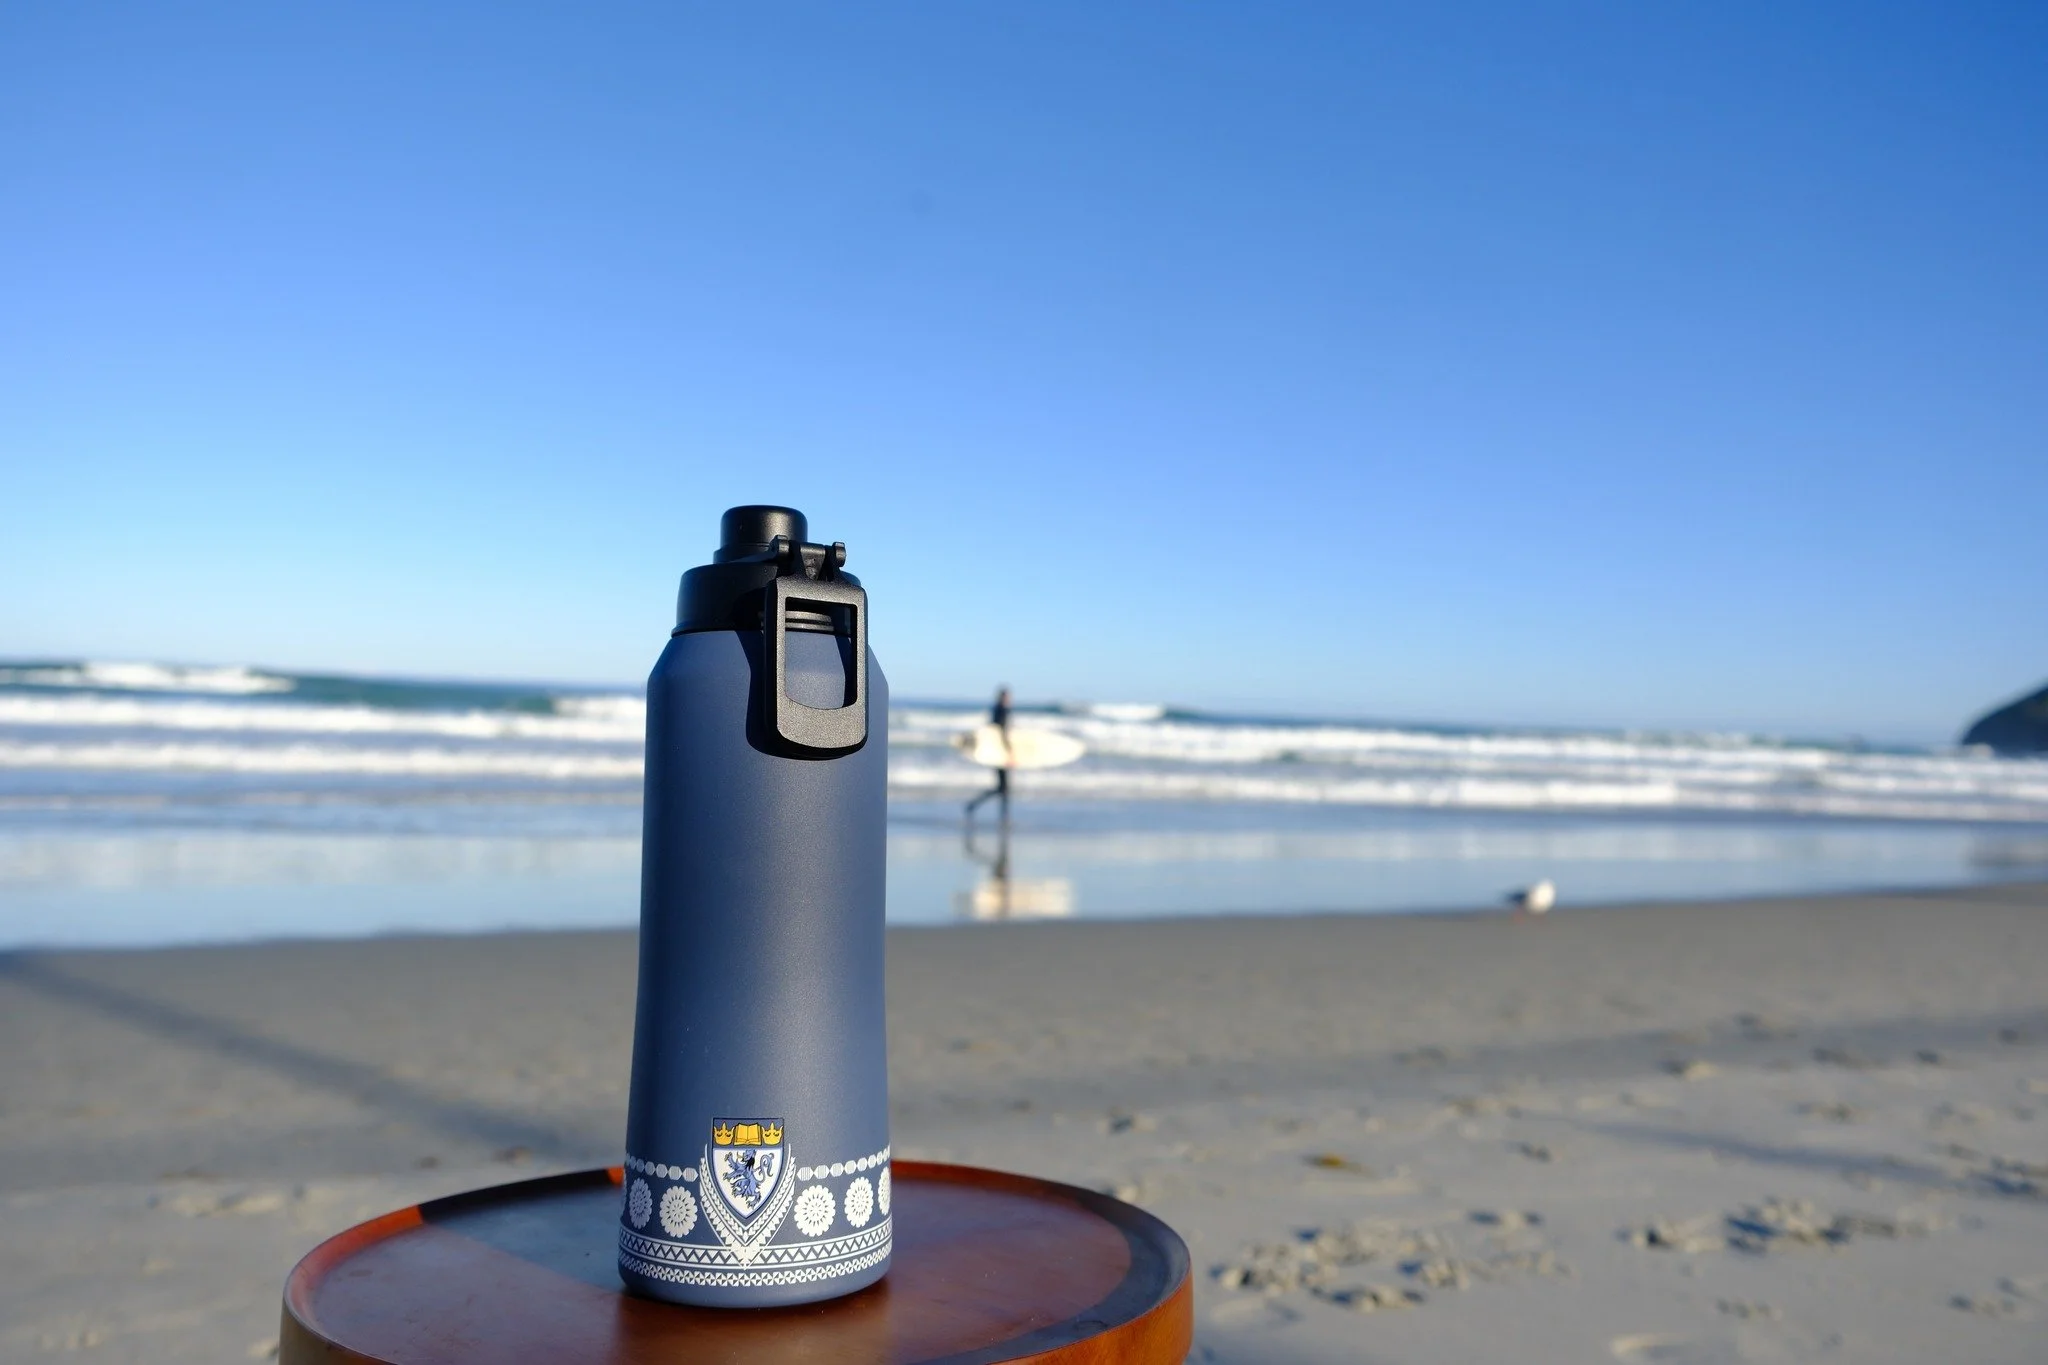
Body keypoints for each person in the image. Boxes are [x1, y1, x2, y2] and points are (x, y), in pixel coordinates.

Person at [964, 686, 1013, 823]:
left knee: (1003, 788)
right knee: (1003, 788)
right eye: (1007, 697)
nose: (1009, 700)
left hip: (995, 752)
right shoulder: (1002, 710)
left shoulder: (995, 710)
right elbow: (1002, 733)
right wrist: (1009, 751)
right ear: (1003, 697)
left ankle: (1001, 815)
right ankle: (976, 806)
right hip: (1000, 753)